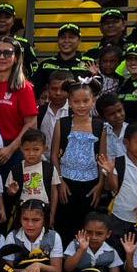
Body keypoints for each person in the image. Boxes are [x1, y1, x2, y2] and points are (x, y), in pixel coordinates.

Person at [51, 83, 108, 245]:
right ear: (69, 102)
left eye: (86, 101)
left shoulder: (99, 126)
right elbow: (54, 155)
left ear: (93, 101)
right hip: (66, 185)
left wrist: (100, 185)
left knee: (86, 226)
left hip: (91, 186)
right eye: (76, 101)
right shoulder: (62, 124)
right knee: (65, 226)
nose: (81, 105)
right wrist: (60, 181)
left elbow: (102, 159)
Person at [0, 35, 40, 193]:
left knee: (13, 200)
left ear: (16, 58)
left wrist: (10, 149)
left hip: (13, 152)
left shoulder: (24, 88)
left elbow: (31, 124)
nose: (1, 57)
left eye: (7, 53)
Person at [33, 23, 92, 95]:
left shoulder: (89, 64)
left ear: (79, 40)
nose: (66, 40)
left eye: (71, 37)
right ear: (58, 40)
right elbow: (35, 91)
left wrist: (95, 75)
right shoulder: (46, 64)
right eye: (63, 37)